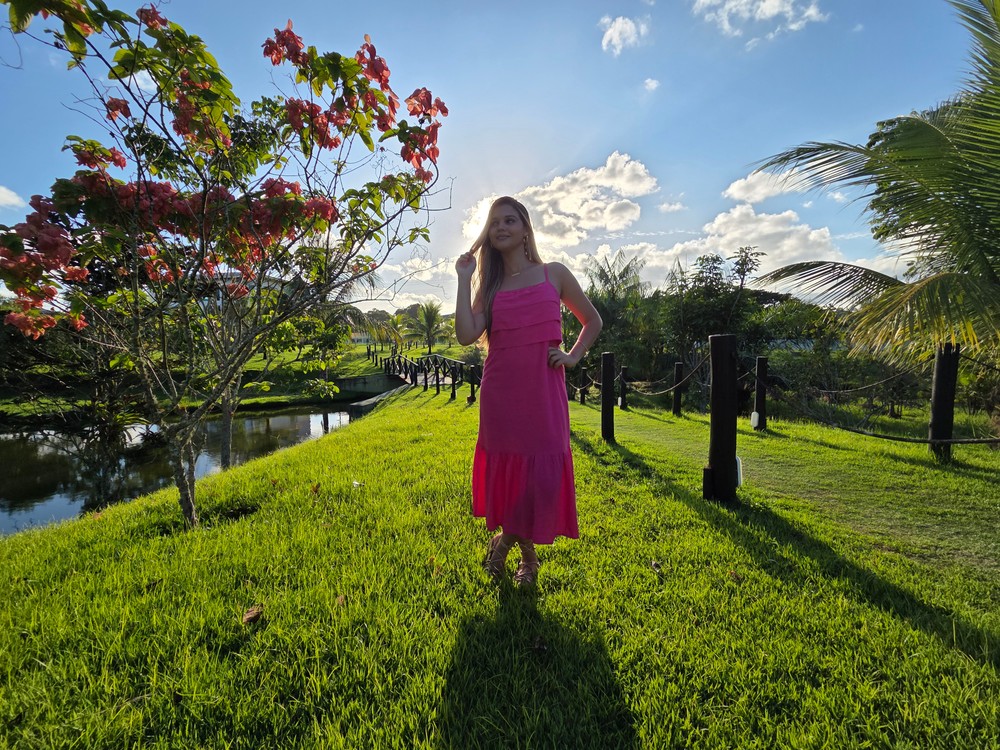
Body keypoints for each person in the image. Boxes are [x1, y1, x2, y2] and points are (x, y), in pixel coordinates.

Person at [454, 196, 602, 585]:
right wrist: (464, 278)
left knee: (541, 479)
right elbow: (466, 334)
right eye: (494, 223)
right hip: (501, 395)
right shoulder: (491, 287)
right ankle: (529, 559)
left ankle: (503, 544)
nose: (500, 227)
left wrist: (573, 356)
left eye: (509, 220)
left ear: (525, 229)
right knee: (513, 477)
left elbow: (592, 320)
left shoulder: (554, 274)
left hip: (544, 394)